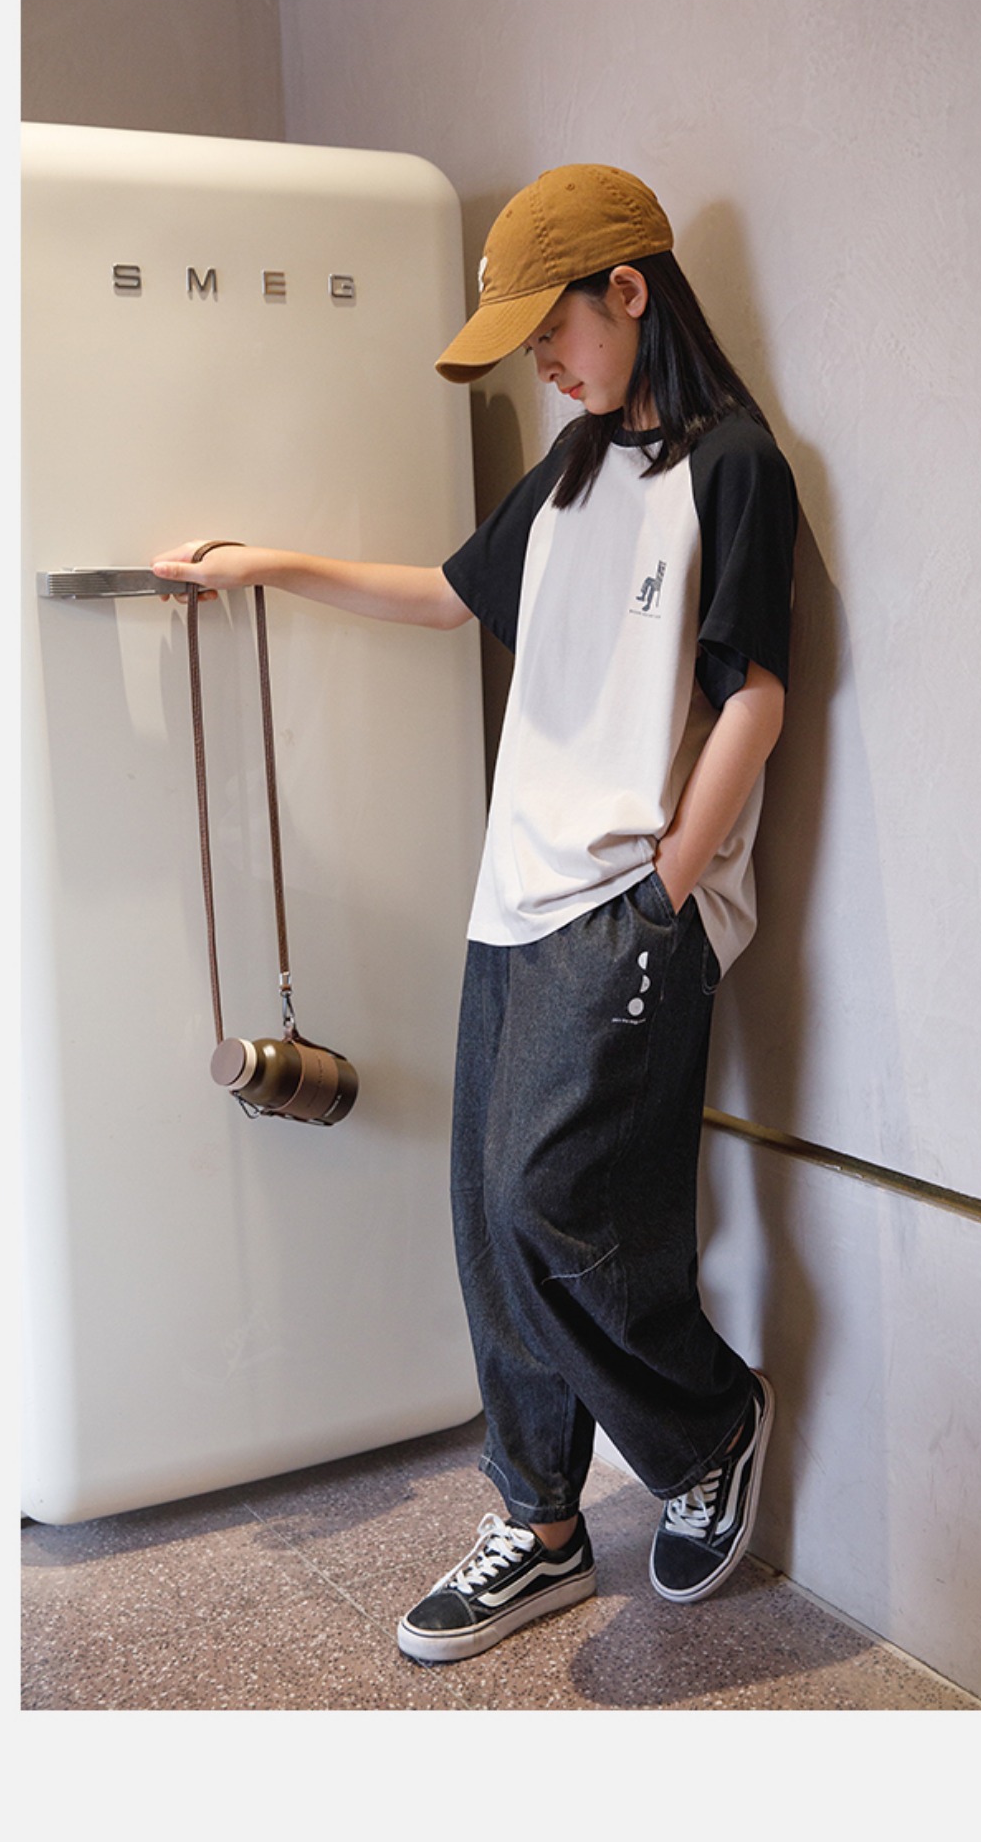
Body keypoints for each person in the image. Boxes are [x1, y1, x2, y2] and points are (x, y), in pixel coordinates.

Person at [153, 163, 799, 1666]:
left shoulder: (734, 466)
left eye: (551, 329)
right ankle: (545, 1524)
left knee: (549, 1205)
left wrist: (669, 885)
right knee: (488, 1226)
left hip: (628, 902)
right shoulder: (573, 469)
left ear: (628, 290)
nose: (544, 363)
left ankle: (707, 1427)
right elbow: (448, 595)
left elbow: (754, 696)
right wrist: (265, 566)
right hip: (514, 901)